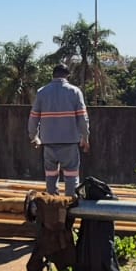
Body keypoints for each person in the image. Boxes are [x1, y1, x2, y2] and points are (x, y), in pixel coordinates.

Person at [28, 63, 89, 196]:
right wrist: (85, 137)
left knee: (51, 177)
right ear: (67, 76)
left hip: (49, 143)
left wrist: (34, 137)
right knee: (72, 177)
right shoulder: (75, 92)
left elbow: (33, 117)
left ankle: (52, 208)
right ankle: (70, 210)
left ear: (53, 75)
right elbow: (83, 118)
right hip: (70, 143)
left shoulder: (42, 92)